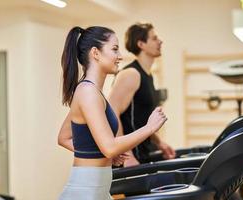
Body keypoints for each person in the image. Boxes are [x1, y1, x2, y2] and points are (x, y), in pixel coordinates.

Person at [57, 26, 167, 200]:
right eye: (114, 49)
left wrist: (104, 153)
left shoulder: (92, 92)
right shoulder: (87, 92)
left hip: (98, 187)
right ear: (96, 53)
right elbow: (109, 147)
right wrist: (149, 128)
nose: (120, 57)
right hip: (86, 190)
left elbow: (63, 137)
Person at [108, 23, 176, 167]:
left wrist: (159, 143)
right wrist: (127, 156)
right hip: (131, 158)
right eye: (154, 38)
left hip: (144, 153)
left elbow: (142, 120)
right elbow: (112, 113)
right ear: (141, 44)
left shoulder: (147, 75)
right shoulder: (131, 74)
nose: (160, 41)